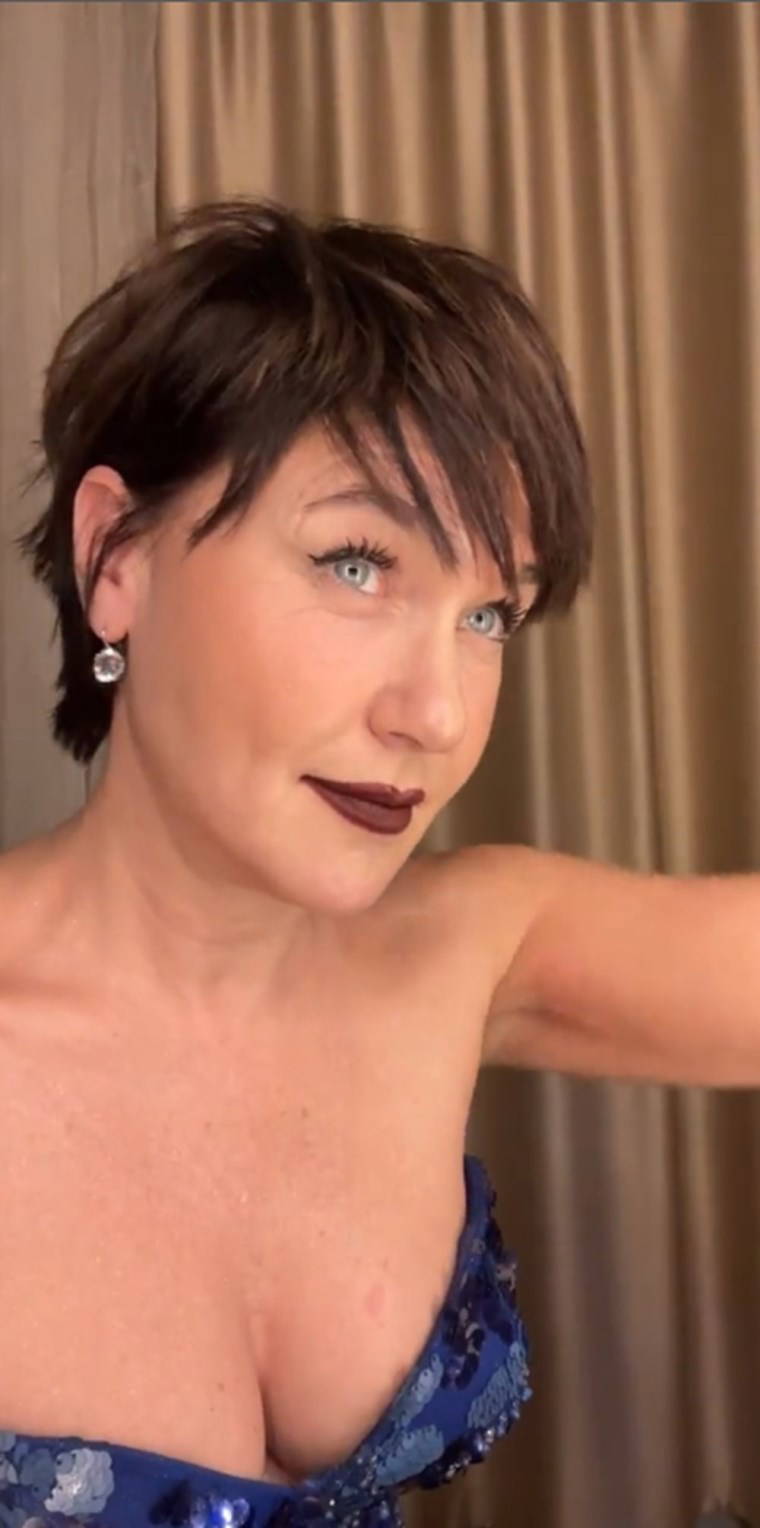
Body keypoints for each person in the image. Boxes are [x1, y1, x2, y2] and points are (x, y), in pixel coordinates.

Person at [0, 199, 755, 1528]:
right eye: (356, 564)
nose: (441, 713)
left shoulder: (467, 950)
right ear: (116, 556)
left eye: (489, 614)